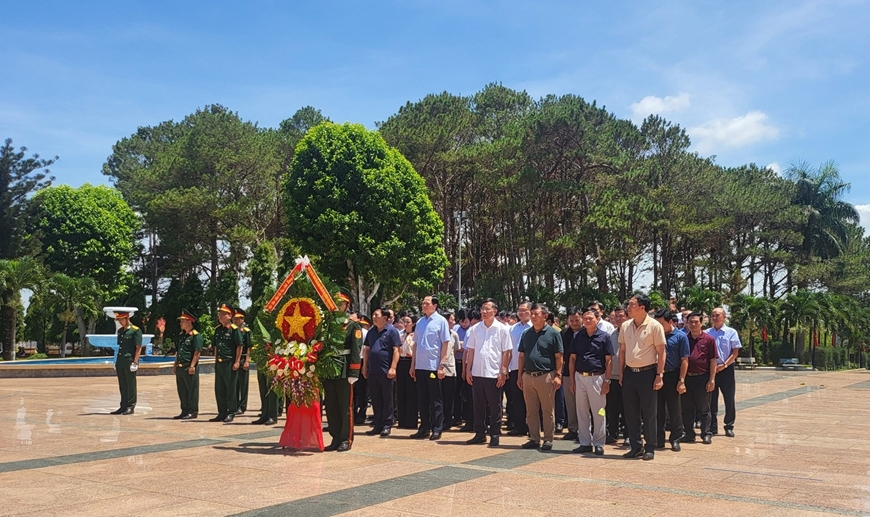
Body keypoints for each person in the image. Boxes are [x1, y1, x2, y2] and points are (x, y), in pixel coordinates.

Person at [619, 294, 666, 460]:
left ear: (642, 307)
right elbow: (622, 351)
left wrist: (659, 375)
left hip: (648, 373)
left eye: (632, 304)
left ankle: (650, 446)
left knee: (649, 412)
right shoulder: (625, 326)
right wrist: (622, 373)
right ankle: (635, 446)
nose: (628, 307)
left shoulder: (654, 326)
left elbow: (661, 352)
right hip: (630, 373)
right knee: (630, 413)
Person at [464, 299, 513, 447]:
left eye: (487, 309)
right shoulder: (475, 329)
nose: (484, 312)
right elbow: (470, 351)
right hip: (477, 373)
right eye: (482, 309)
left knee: (495, 405)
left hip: (494, 373)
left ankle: (495, 434)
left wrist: (503, 371)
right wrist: (468, 370)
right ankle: (479, 433)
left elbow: (507, 352)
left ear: (495, 311)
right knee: (478, 405)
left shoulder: (502, 329)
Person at [517, 303, 563, 451]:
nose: (534, 316)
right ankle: (534, 438)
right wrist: (520, 376)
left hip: (546, 376)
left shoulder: (554, 333)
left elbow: (559, 356)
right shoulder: (526, 334)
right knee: (531, 410)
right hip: (528, 376)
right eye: (532, 313)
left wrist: (558, 375)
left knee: (547, 409)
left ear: (545, 316)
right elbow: (522, 356)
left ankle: (548, 439)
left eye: (537, 314)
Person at [322, 288, 364, 452]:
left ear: (347, 306)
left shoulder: (353, 325)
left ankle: (346, 438)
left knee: (345, 406)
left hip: (345, 369)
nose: (336, 305)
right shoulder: (328, 324)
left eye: (340, 303)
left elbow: (356, 350)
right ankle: (335, 437)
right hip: (329, 369)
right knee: (331, 406)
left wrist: (354, 372)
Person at [568, 307, 613, 455]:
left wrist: (607, 380)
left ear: (597, 319)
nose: (587, 321)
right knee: (582, 412)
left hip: (597, 378)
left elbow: (609, 360)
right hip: (580, 377)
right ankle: (585, 442)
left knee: (599, 412)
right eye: (585, 318)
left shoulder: (604, 337)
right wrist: (572, 380)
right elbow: (572, 358)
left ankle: (599, 443)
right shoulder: (577, 336)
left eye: (590, 318)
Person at [410, 295, 451, 440]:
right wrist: (413, 365)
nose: (424, 305)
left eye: (427, 303)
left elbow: (445, 344)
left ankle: (437, 428)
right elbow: (415, 345)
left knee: (435, 399)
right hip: (420, 366)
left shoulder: (441, 322)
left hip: (433, 366)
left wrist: (442, 365)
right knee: (422, 398)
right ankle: (424, 427)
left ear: (434, 305)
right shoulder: (420, 322)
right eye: (423, 303)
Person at [653, 309, 689, 452]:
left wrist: (681, 380)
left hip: (673, 375)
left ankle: (675, 439)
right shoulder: (654, 336)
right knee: (658, 409)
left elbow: (685, 360)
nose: (658, 326)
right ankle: (659, 439)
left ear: (670, 322)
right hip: (657, 375)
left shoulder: (680, 337)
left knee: (674, 409)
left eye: (661, 323)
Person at [362, 307, 401, 437]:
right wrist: (364, 367)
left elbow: (396, 350)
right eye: (373, 314)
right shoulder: (371, 332)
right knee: (376, 398)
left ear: (385, 318)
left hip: (386, 371)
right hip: (373, 370)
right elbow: (367, 350)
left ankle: (387, 424)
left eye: (376, 315)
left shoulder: (391, 331)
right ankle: (378, 424)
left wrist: (393, 367)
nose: (374, 317)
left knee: (387, 398)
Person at [683, 312, 718, 444]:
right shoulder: (684, 338)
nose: (693, 324)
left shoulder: (709, 340)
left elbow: (713, 360)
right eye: (690, 322)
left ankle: (706, 433)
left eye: (696, 322)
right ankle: (689, 434)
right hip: (687, 378)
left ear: (701, 323)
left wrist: (712, 379)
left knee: (704, 408)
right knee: (686, 408)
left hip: (702, 378)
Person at [706, 307, 741, 437]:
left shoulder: (731, 332)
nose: (715, 318)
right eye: (713, 315)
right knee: (711, 400)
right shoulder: (707, 333)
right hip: (712, 370)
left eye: (718, 315)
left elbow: (735, 352)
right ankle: (712, 427)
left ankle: (729, 426)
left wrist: (725, 365)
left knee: (729, 399)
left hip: (727, 369)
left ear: (724, 317)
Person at [210, 303, 243, 423]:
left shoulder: (234, 330)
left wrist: (237, 361)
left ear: (230, 315)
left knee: (230, 388)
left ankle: (231, 412)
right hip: (219, 363)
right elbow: (215, 347)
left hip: (230, 362)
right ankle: (222, 412)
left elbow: (239, 346)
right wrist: (215, 360)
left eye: (223, 314)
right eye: (220, 314)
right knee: (219, 388)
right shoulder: (217, 330)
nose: (220, 316)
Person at [506, 302, 532, 437]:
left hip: (530, 368)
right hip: (515, 368)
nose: (521, 313)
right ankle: (520, 426)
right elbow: (508, 350)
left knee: (532, 399)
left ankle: (533, 427)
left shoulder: (534, 327)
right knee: (516, 399)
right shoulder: (512, 328)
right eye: (519, 310)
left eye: (524, 310)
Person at [559, 307, 584, 441]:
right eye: (571, 320)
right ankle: (573, 428)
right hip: (568, 374)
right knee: (570, 402)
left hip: (585, 372)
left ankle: (586, 429)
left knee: (585, 403)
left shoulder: (587, 332)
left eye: (577, 320)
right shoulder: (563, 333)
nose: (574, 323)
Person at [173, 309, 202, 420]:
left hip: (189, 366)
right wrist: (175, 364)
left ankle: (192, 411)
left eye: (183, 321)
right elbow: (178, 351)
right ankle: (184, 410)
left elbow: (197, 352)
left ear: (189, 322)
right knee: (182, 390)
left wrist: (192, 365)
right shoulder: (182, 336)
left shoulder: (196, 336)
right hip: (180, 366)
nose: (181, 323)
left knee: (192, 390)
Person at [112, 311, 142, 415]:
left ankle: (130, 406)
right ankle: (123, 406)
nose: (120, 322)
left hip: (129, 361)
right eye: (118, 320)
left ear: (127, 318)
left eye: (121, 319)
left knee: (130, 384)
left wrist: (135, 362)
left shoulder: (135, 330)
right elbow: (120, 347)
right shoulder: (120, 331)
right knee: (122, 384)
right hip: (121, 361)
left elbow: (138, 348)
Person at [606, 305, 627, 444]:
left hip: (627, 377)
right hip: (612, 377)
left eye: (621, 316)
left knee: (627, 408)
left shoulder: (631, 332)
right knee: (611, 408)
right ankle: (612, 433)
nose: (618, 319)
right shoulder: (612, 334)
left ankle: (627, 435)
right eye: (616, 316)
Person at [441, 310, 462, 430]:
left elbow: (454, 351)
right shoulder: (438, 333)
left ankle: (447, 421)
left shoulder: (454, 334)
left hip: (451, 370)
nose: (454, 322)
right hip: (438, 369)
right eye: (452, 319)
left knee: (449, 397)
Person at [396, 313, 418, 429]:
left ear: (413, 323)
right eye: (404, 321)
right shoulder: (400, 334)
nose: (405, 324)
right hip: (401, 362)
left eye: (408, 322)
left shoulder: (415, 335)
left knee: (411, 392)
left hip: (410, 362)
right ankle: (402, 419)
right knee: (401, 391)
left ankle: (411, 420)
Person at [452, 308, 472, 429]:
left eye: (466, 321)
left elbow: (466, 347)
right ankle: (457, 416)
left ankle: (466, 416)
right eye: (462, 322)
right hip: (456, 363)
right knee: (456, 391)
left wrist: (460, 345)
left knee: (467, 392)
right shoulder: (455, 329)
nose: (464, 324)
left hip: (467, 364)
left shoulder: (472, 330)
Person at [233, 308, 252, 415]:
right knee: (235, 384)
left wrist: (247, 361)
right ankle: (235, 405)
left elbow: (249, 347)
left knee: (243, 384)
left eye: (237, 319)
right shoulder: (232, 331)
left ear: (242, 319)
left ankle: (242, 406)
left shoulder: (246, 332)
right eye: (233, 319)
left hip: (243, 358)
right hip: (234, 359)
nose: (235, 321)